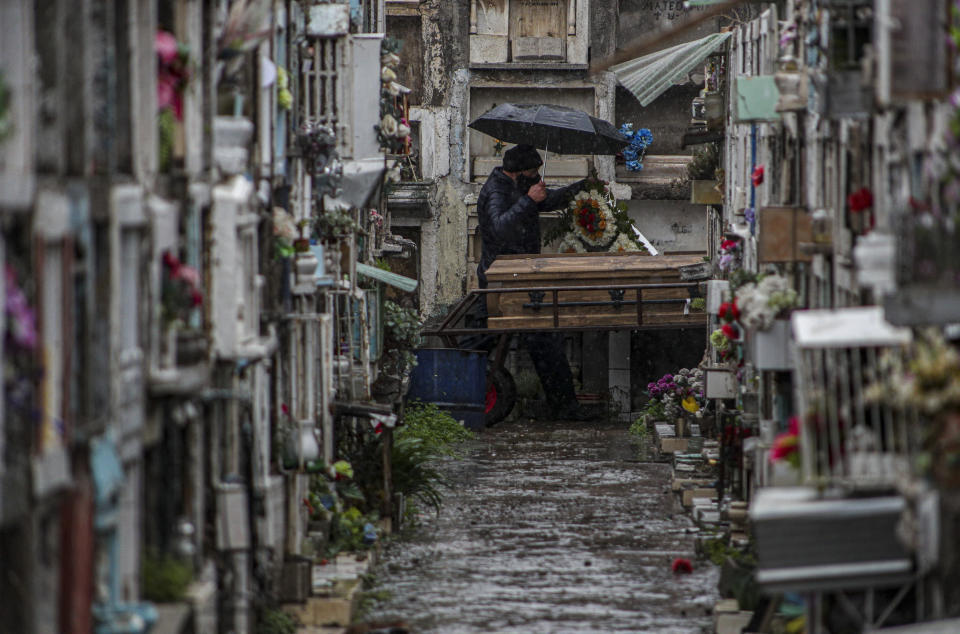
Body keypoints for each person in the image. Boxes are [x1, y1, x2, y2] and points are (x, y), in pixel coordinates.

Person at [472, 144, 592, 421]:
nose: (538, 178)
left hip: (519, 279)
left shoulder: (516, 188)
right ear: (518, 173)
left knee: (543, 341)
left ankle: (565, 408)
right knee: (484, 341)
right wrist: (528, 200)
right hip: (503, 283)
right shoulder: (496, 191)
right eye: (533, 172)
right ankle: (460, 394)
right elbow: (501, 229)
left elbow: (549, 200)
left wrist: (584, 186)